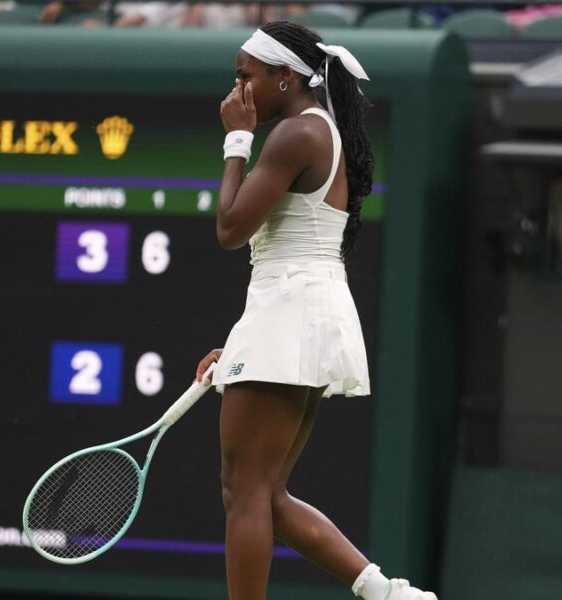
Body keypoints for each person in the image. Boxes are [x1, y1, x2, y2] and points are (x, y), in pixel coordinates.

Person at [194, 21, 438, 600]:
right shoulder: (319, 131)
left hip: (291, 310)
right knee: (265, 491)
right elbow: (289, 251)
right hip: (303, 311)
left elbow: (230, 229)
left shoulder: (294, 136)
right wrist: (244, 348)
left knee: (247, 492)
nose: (238, 91)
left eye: (247, 76)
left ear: (285, 76)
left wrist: (236, 139)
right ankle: (389, 593)